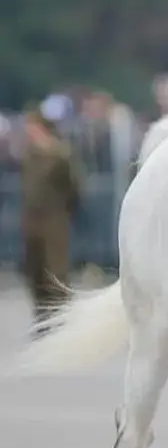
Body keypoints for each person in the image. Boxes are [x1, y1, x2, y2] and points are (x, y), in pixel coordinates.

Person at [19, 105, 83, 330]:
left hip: (54, 220)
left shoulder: (60, 155)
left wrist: (65, 212)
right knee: (34, 271)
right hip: (32, 220)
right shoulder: (29, 155)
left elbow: (73, 187)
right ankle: (42, 319)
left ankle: (61, 320)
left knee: (55, 272)